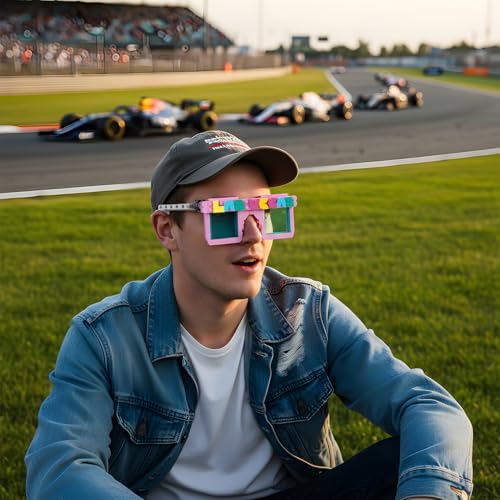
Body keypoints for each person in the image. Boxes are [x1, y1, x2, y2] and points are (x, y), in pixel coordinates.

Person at [25, 130, 473, 500]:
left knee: (408, 463)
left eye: (269, 212)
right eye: (226, 216)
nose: (254, 236)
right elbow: (60, 467)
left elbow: (426, 404)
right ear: (167, 229)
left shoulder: (308, 312)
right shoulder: (103, 336)